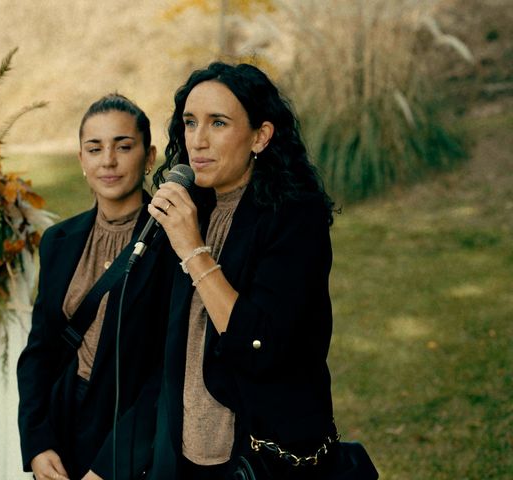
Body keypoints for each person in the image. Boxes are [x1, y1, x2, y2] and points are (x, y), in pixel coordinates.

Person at [147, 62, 339, 479]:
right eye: (190, 122)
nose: (197, 140)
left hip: (260, 454)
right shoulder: (194, 206)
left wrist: (193, 250)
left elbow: (262, 344)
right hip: (187, 452)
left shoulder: (293, 217)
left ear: (260, 136)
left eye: (218, 123)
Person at [17, 94, 173, 480]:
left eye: (124, 146)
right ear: (81, 160)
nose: (108, 160)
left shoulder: (173, 243)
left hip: (133, 439)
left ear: (150, 156)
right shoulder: (58, 240)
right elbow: (39, 351)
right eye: (95, 148)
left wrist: (113, 464)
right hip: (63, 426)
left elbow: (171, 370)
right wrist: (37, 443)